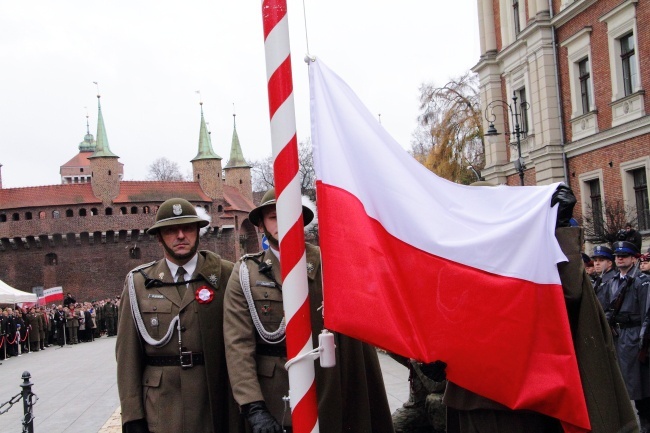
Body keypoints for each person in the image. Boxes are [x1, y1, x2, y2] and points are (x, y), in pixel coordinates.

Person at [432, 185, 637, 433]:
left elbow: (568, 296)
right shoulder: (452, 267)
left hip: (529, 397)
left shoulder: (526, 263)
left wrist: (560, 229)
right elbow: (433, 317)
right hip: (475, 398)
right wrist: (426, 356)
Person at [224, 189, 394, 433]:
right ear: (261, 224)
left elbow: (375, 317)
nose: (281, 222)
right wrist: (253, 405)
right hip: (275, 396)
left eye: (288, 214)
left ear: (301, 220)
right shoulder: (245, 273)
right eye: (273, 216)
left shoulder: (332, 265)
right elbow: (237, 344)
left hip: (330, 387)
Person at [116, 198, 241, 433]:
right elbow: (127, 356)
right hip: (163, 406)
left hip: (214, 399)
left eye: (188, 228)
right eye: (171, 230)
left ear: (198, 231)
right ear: (159, 237)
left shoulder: (226, 274)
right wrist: (132, 416)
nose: (181, 235)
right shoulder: (140, 283)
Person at [605, 241, 650, 431]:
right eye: (617, 256)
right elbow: (607, 308)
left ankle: (646, 422)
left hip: (635, 335)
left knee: (642, 385)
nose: (619, 258)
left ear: (634, 258)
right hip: (619, 336)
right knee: (627, 385)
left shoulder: (642, 281)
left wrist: (643, 341)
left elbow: (646, 312)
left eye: (624, 255)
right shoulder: (612, 281)